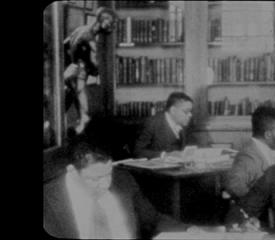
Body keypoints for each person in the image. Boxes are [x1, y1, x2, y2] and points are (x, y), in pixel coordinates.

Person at [43, 141, 195, 239]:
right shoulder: (48, 200)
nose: (105, 185)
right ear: (72, 172)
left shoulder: (123, 180)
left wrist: (189, 231)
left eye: (108, 174)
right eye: (95, 179)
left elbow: (152, 219)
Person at [63, 7, 117, 135]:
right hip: (76, 75)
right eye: (111, 23)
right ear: (103, 21)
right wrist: (94, 68)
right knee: (81, 101)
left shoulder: (79, 30)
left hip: (72, 74)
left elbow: (63, 45)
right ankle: (83, 120)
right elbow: (95, 66)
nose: (112, 27)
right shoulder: (91, 41)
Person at [224, 106, 275, 199]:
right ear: (268, 134)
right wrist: (259, 203)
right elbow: (234, 185)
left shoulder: (263, 150)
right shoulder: (248, 156)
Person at [133, 92, 194, 159]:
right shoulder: (152, 123)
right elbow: (137, 151)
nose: (190, 115)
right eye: (186, 112)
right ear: (173, 110)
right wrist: (165, 155)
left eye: (191, 111)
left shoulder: (185, 125)